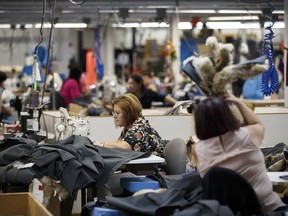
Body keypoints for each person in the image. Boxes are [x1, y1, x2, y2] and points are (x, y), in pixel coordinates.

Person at [193, 96, 287, 214]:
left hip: (225, 212)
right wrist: (238, 103)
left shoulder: (198, 149)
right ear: (228, 115)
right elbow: (257, 123)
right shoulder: (247, 135)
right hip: (268, 210)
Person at [98, 93, 167, 157]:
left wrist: (100, 144)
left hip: (152, 169)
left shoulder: (140, 128)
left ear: (129, 113)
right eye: (114, 113)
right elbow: (119, 145)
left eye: (118, 113)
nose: (114, 116)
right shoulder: (129, 127)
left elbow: (125, 146)